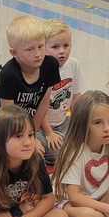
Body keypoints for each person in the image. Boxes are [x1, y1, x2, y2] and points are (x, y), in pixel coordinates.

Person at [0, 15, 61, 156]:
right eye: (30, 49)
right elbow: (8, 115)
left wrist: (32, 136)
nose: (38, 54)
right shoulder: (9, 73)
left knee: (54, 154)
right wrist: (26, 141)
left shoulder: (50, 65)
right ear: (14, 53)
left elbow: (43, 104)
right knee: (0, 156)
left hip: (24, 123)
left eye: (41, 46)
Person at [41, 18, 83, 164]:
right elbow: (38, 109)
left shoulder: (73, 64)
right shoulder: (41, 69)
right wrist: (49, 133)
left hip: (63, 122)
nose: (62, 52)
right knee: (56, 153)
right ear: (43, 47)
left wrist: (80, 126)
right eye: (55, 47)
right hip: (41, 125)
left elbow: (76, 98)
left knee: (94, 134)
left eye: (66, 45)